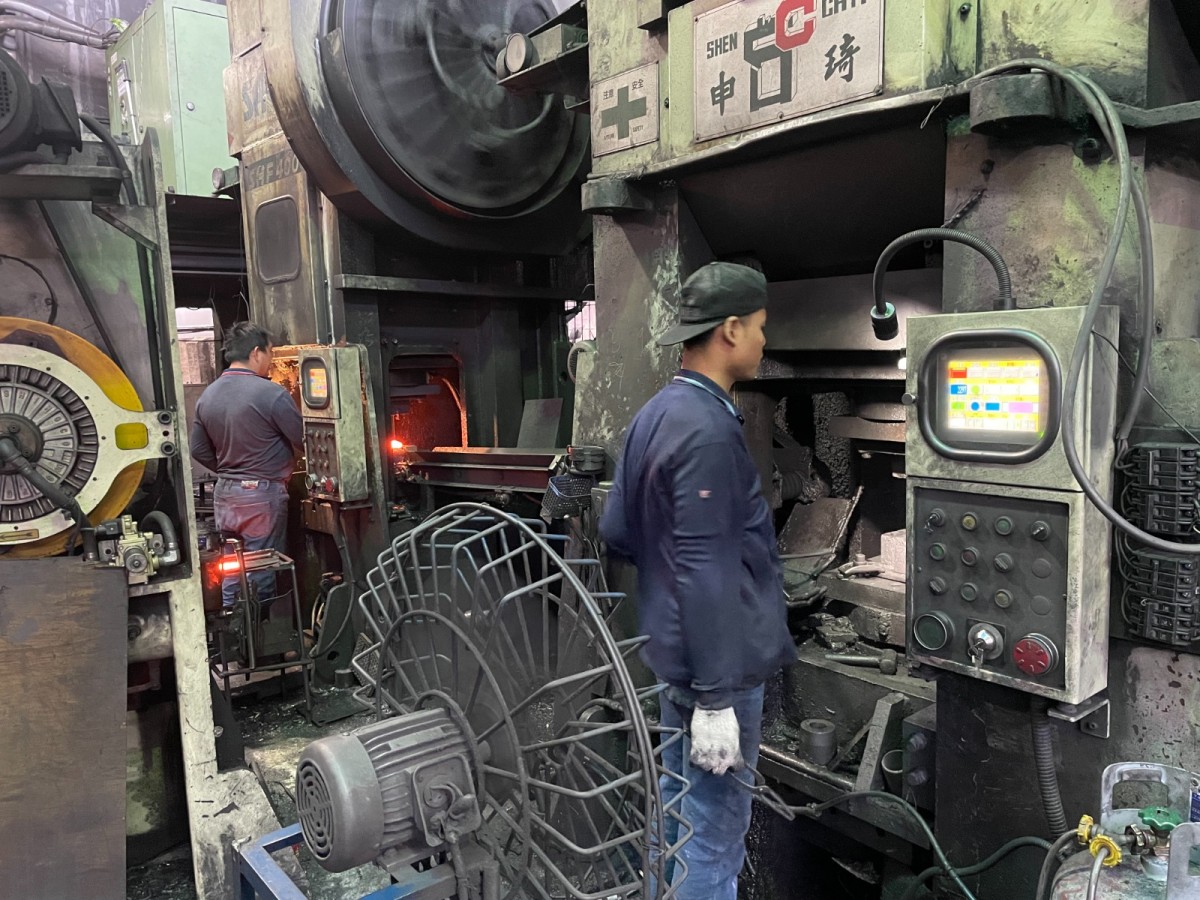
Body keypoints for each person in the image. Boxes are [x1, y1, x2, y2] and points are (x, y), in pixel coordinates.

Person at [599, 262, 795, 900]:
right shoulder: (709, 429)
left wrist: (668, 573)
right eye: (759, 327)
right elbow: (708, 569)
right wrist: (715, 699)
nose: (764, 341)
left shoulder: (657, 411)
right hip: (718, 670)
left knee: (677, 811)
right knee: (713, 837)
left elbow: (616, 529)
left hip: (672, 653)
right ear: (730, 330)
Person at [191, 322, 303, 607]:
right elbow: (304, 439)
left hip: (226, 495)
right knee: (260, 570)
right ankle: (258, 630)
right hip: (260, 498)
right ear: (256, 353)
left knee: (234, 566)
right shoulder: (271, 394)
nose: (271, 360)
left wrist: (231, 471)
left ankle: (234, 626)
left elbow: (198, 449)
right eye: (270, 353)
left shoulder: (208, 395)